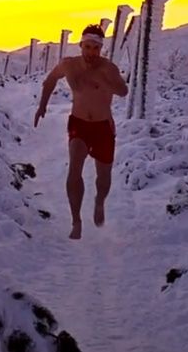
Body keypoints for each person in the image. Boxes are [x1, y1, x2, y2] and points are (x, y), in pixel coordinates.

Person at [33, 24, 129, 240]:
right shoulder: (69, 65)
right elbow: (50, 81)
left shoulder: (108, 68)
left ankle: (99, 201)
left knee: (103, 176)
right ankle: (76, 220)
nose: (91, 52)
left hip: (103, 126)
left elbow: (123, 91)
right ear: (81, 46)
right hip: (79, 124)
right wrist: (42, 106)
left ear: (101, 48)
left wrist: (105, 81)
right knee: (75, 166)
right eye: (87, 47)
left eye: (96, 48)